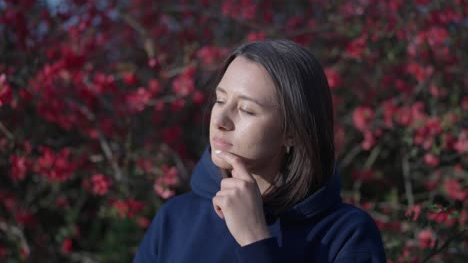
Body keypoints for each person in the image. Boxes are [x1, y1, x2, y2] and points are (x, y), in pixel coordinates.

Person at [133, 39, 386, 262]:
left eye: (246, 110)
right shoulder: (176, 218)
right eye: (220, 100)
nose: (220, 119)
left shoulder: (346, 235)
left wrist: (254, 240)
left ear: (293, 132)